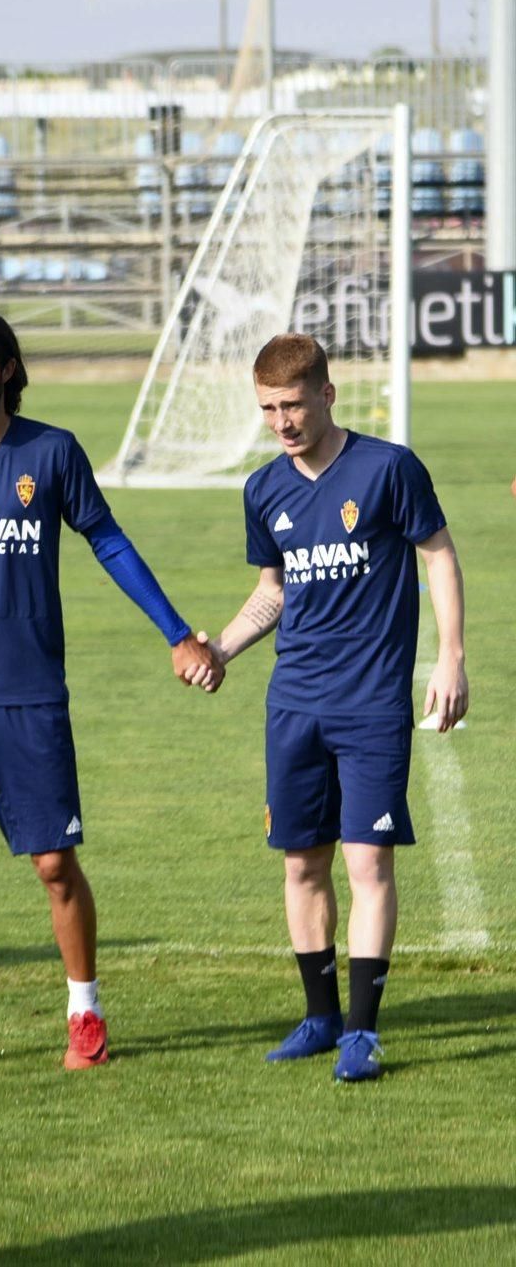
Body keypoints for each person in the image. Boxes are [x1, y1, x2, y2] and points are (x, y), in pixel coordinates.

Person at [0, 303, 223, 1074]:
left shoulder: (53, 453)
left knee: (55, 864)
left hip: (29, 695)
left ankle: (85, 1014)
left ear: (9, 372)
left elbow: (110, 541)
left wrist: (177, 631)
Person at [189, 333, 468, 1082]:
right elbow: (274, 591)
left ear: (327, 394)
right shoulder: (264, 490)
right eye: (268, 408)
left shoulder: (388, 469)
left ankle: (362, 1032)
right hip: (294, 706)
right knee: (302, 863)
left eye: (293, 404)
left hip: (372, 704)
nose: (281, 421)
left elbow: (437, 552)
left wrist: (450, 656)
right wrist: (224, 651)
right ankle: (317, 1016)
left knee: (367, 861)